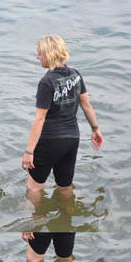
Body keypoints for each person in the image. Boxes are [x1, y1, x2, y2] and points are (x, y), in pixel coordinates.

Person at [22, 35, 104, 198]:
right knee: (64, 186)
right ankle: (67, 216)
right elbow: (86, 104)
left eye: (40, 54)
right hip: (72, 139)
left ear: (49, 54)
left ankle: (35, 221)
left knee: (34, 187)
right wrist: (95, 129)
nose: (38, 57)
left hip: (50, 141)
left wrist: (29, 151)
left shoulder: (47, 82)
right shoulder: (75, 74)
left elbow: (40, 118)